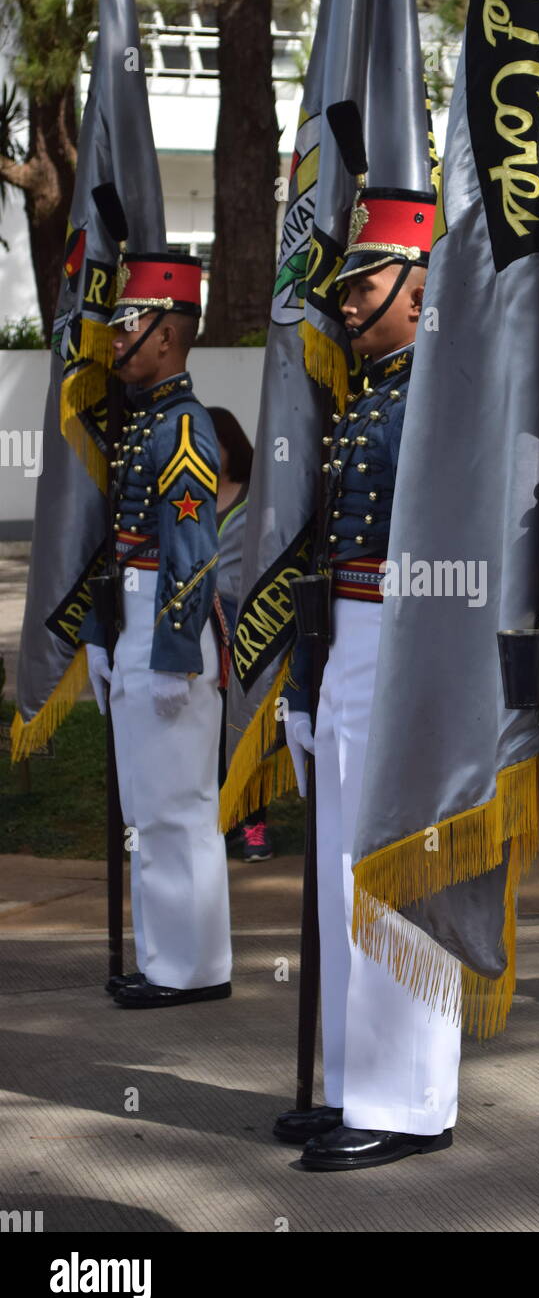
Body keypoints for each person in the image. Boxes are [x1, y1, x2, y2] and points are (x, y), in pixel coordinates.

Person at [272, 110, 462, 1171]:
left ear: (421, 289)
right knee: (348, 870)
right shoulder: (368, 400)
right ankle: (353, 1081)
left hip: (403, 650)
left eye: (367, 283)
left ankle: (407, 1099)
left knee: (393, 873)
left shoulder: (440, 402)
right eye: (346, 285)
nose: (345, 300)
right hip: (348, 642)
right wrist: (308, 676)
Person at [81, 254, 232, 1009]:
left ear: (168, 336)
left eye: (129, 324)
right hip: (134, 621)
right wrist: (100, 633)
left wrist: (173, 652)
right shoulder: (144, 420)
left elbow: (192, 551)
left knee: (178, 807)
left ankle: (193, 968)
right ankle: (166, 958)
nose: (115, 339)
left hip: (167, 632)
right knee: (150, 805)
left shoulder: (181, 429)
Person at [209, 406, 273, 863]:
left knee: (245, 725)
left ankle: (254, 827)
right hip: (194, 629)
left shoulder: (256, 498)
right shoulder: (180, 495)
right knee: (204, 729)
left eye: (217, 444)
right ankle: (216, 821)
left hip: (242, 625)